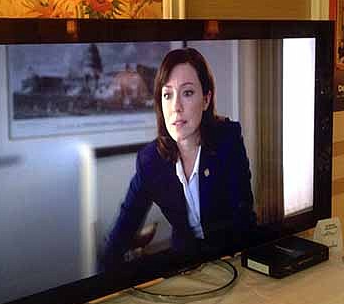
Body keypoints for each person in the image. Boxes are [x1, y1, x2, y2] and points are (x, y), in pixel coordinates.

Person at [99, 47, 257, 271]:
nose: (176, 107)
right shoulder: (150, 160)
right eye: (167, 95)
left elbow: (244, 219)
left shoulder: (227, 140)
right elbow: (122, 232)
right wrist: (94, 288)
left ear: (206, 99)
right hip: (185, 265)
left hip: (231, 260)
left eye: (188, 93)